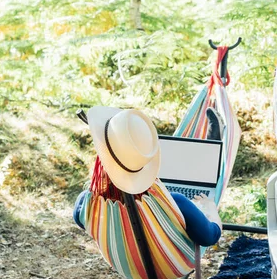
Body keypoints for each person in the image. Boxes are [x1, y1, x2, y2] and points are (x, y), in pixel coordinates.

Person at [73, 106, 224, 247]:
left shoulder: (85, 204)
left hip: (128, 265)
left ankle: (213, 140)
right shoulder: (173, 202)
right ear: (144, 163)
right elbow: (209, 237)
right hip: (168, 265)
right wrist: (210, 208)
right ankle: (213, 141)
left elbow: (87, 224)